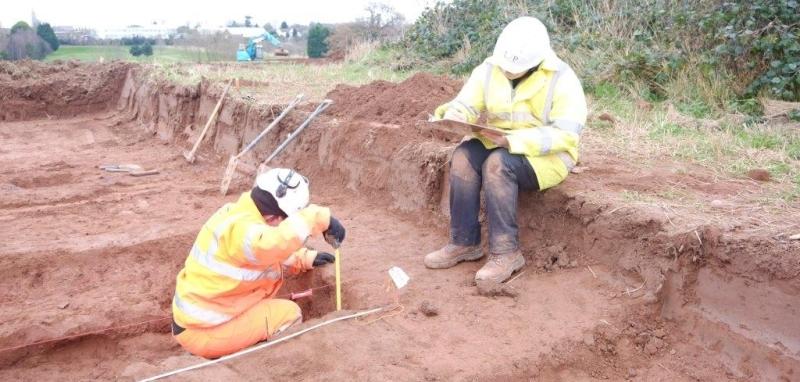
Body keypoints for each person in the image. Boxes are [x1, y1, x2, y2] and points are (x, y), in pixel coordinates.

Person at [425, 16, 587, 286]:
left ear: (536, 62)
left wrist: (514, 142)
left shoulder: (562, 78)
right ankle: (464, 242)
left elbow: (567, 135)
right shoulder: (489, 68)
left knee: (497, 165)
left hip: (547, 156)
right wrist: (454, 114)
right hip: (499, 141)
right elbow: (466, 102)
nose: (509, 72)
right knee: (463, 157)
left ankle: (506, 252)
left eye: (517, 69)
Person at [171, 168, 346, 359]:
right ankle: (258, 363)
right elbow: (271, 243)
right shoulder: (245, 233)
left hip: (198, 321)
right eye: (287, 221)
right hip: (206, 332)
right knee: (288, 314)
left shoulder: (238, 214)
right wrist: (319, 219)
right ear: (273, 218)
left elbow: (262, 251)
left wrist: (303, 258)